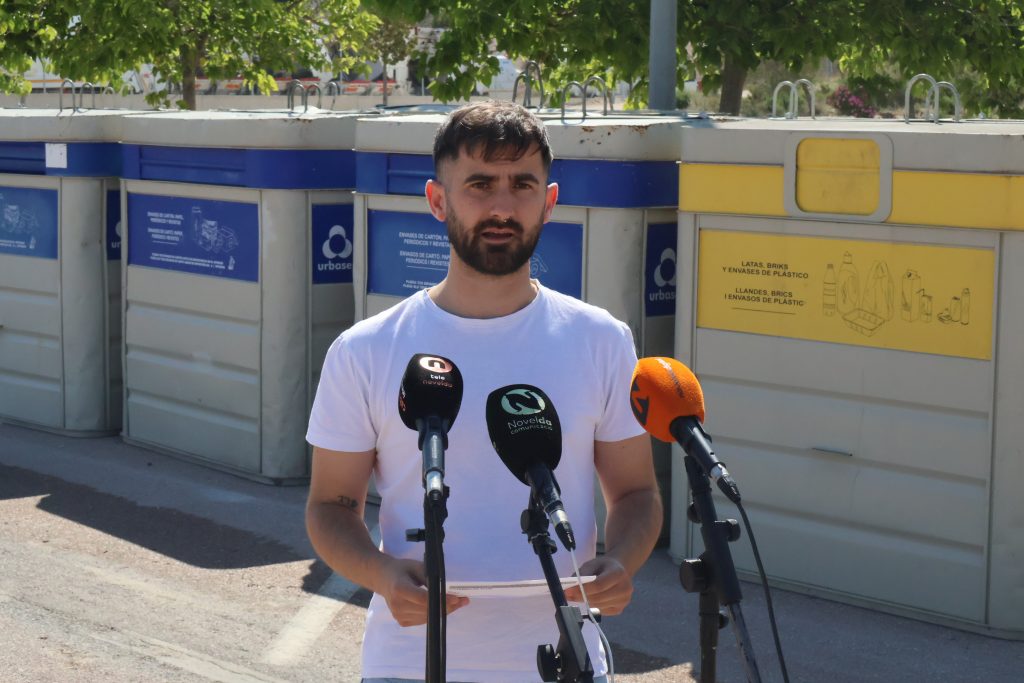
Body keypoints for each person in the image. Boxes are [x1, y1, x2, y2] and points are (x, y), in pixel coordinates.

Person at [305, 100, 662, 683]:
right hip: (406, 664)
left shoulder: (601, 340)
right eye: (479, 184)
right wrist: (381, 575)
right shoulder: (365, 349)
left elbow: (636, 493)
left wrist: (621, 562)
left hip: (567, 662)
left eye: (522, 184)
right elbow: (329, 507)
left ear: (549, 202)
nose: (501, 206)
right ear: (437, 200)